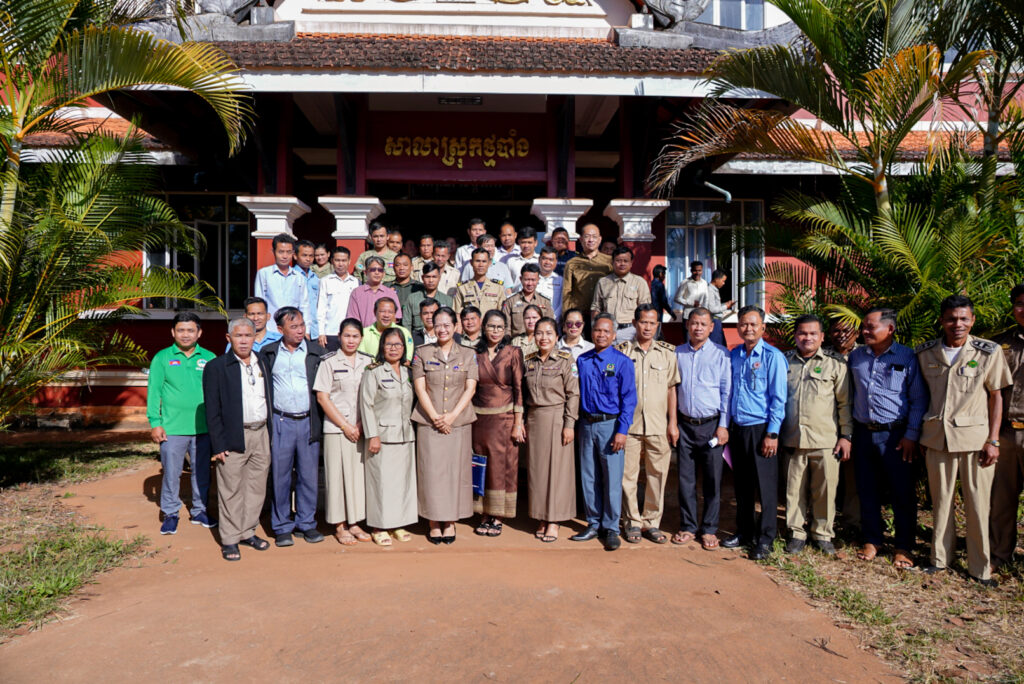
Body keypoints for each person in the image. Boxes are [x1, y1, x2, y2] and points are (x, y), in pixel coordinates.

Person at [916, 295, 1011, 586]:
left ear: (972, 320)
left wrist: (993, 440)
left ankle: (979, 568)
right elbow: (921, 396)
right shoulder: (926, 353)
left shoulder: (988, 351)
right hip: (937, 438)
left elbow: (996, 396)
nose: (957, 324)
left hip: (975, 440)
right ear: (942, 320)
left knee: (978, 505)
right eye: (951, 319)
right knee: (941, 502)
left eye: (963, 319)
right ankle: (940, 559)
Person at [848, 308, 926, 567]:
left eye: (870, 327)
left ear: (890, 329)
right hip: (863, 433)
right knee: (866, 489)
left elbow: (918, 399)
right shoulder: (856, 356)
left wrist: (911, 435)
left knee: (901, 492)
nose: (864, 331)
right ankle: (872, 539)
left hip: (896, 436)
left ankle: (903, 546)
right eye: (863, 327)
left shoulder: (907, 356)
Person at [781, 314, 852, 556]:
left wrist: (846, 436)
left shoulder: (835, 364)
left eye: (813, 333)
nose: (807, 338)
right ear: (795, 336)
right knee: (794, 490)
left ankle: (822, 534)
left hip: (825, 440)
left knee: (825, 491)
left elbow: (845, 404)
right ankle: (796, 533)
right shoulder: (785, 362)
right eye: (802, 333)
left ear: (822, 337)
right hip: (793, 438)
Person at [203, 317, 273, 561]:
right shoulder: (217, 367)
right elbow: (212, 409)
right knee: (231, 488)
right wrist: (218, 444)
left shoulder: (263, 361)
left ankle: (247, 531)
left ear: (255, 337)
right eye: (238, 335)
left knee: (256, 487)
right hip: (233, 435)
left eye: (248, 335)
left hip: (261, 432)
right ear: (229, 338)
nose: (243, 340)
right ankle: (230, 538)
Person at [722, 305, 787, 560]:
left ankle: (766, 538)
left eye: (753, 324)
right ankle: (745, 532)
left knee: (766, 487)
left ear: (763, 327)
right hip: (739, 428)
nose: (748, 328)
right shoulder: (735, 354)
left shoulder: (773, 357)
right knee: (742, 485)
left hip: (762, 429)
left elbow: (778, 399)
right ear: (738, 327)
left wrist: (772, 434)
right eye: (743, 324)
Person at [411, 307, 479, 545]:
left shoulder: (468, 354)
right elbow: (420, 388)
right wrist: (435, 417)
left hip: (458, 423)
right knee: (431, 473)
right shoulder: (422, 352)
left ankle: (450, 520)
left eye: (446, 325)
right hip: (429, 422)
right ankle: (432, 520)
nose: (442, 329)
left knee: (454, 473)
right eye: (437, 325)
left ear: (455, 326)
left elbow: (470, 388)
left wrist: (450, 417)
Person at [259, 308, 326, 547]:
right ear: (280, 330)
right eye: (294, 327)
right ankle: (282, 526)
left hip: (308, 420)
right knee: (281, 476)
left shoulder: (316, 352)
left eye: (302, 326)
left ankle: (306, 523)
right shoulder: (268, 353)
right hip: (281, 421)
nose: (300, 331)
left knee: (308, 476)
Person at [571, 314, 637, 551]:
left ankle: (611, 528)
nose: (601, 335)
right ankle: (593, 523)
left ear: (614, 335)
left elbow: (629, 400)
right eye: (597, 330)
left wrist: (622, 431)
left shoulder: (622, 362)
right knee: (588, 476)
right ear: (592, 332)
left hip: (611, 426)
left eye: (606, 331)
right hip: (587, 424)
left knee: (612, 478)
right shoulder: (583, 360)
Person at [147, 312, 217, 535]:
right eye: (181, 330)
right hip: (172, 429)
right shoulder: (162, 358)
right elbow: (154, 392)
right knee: (171, 473)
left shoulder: (209, 358)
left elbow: (217, 393)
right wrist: (155, 422)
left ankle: (200, 510)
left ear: (199, 333)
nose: (185, 335)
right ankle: (170, 513)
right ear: (173, 332)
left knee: (202, 472)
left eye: (190, 330)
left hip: (203, 428)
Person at [616, 304, 680, 544]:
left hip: (657, 425)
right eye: (643, 322)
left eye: (652, 323)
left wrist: (672, 423)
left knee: (658, 475)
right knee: (628, 476)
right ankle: (632, 521)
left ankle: (651, 522)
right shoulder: (622, 352)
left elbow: (672, 389)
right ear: (634, 323)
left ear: (658, 325)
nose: (647, 327)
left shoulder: (667, 353)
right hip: (629, 427)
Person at [673, 308, 731, 549]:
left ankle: (709, 528)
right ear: (687, 325)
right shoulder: (677, 353)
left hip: (711, 426)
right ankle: (688, 526)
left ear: (711, 328)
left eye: (703, 324)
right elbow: (672, 390)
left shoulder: (721, 354)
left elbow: (726, 392)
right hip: (685, 426)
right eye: (694, 323)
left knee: (712, 480)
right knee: (685, 479)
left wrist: (723, 425)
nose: (698, 328)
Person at [314, 318, 373, 545]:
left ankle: (355, 521)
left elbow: (371, 397)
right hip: (336, 429)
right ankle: (339, 525)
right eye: (347, 336)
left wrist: (359, 425)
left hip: (360, 429)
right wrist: (345, 426)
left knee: (357, 477)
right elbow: (323, 397)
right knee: (337, 477)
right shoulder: (328, 362)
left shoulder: (368, 362)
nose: (351, 340)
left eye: (355, 336)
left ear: (361, 338)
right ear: (339, 337)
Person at [360, 328, 418, 545]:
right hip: (382, 436)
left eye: (398, 344)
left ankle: (398, 524)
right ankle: (379, 526)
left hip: (405, 435)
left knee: (402, 483)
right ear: (382, 347)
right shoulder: (373, 371)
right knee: (381, 483)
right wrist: (372, 435)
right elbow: (366, 404)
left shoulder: (409, 372)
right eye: (389, 344)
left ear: (404, 348)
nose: (394, 348)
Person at [524, 317, 580, 543]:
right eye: (539, 333)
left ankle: (554, 519)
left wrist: (569, 424)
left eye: (548, 333)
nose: (543, 337)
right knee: (537, 472)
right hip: (534, 420)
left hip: (557, 418)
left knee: (557, 472)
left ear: (557, 337)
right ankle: (541, 516)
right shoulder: (529, 361)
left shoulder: (566, 360)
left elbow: (573, 394)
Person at [471, 310, 525, 536]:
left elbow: (519, 389)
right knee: (481, 465)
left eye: (499, 327)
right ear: (484, 328)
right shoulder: (475, 353)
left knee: (502, 467)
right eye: (491, 326)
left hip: (505, 419)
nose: (495, 331)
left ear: (505, 330)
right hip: (479, 420)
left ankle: (498, 515)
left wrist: (518, 422)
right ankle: (484, 513)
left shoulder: (513, 352)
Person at [990, 283, 1024, 571]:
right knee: (1001, 500)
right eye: (1020, 303)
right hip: (1006, 433)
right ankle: (999, 556)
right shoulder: (1000, 345)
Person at [826, 317, 861, 532]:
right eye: (836, 331)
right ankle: (823, 520)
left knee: (853, 477)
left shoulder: (864, 354)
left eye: (847, 331)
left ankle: (851, 522)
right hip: (828, 424)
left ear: (857, 333)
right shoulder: (823, 355)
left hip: (857, 424)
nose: (841, 335)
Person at [590, 246, 651, 343]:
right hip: (607, 330)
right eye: (618, 261)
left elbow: (645, 310)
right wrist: (594, 328)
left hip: (631, 331)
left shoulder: (639, 282)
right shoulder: (603, 282)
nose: (622, 264)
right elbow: (596, 307)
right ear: (612, 262)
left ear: (631, 263)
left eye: (625, 261)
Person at [253, 233, 308, 327]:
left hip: (293, 328)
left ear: (293, 253)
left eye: (288, 252)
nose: (285, 256)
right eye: (281, 252)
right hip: (271, 327)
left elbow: (304, 305)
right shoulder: (264, 274)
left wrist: (306, 329)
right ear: (273, 251)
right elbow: (259, 303)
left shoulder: (299, 277)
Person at [562, 224, 612, 322]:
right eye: (587, 236)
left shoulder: (610, 261)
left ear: (600, 239)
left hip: (603, 314)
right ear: (581, 239)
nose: (591, 240)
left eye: (594, 237)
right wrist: (566, 317)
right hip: (579, 316)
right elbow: (567, 291)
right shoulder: (572, 263)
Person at [317, 246, 360, 352]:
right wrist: (321, 332)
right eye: (337, 260)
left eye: (344, 260)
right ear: (332, 261)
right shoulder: (325, 281)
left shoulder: (355, 282)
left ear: (349, 261)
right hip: (330, 332)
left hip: (350, 332)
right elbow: (321, 308)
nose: (340, 264)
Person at [346, 256, 403, 327]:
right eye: (373, 269)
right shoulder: (357, 293)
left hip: (386, 333)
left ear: (384, 273)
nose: (377, 272)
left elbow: (395, 317)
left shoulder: (390, 293)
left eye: (380, 270)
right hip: (363, 333)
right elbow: (353, 319)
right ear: (365, 272)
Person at [502, 264, 555, 337]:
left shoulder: (545, 302)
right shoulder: (510, 301)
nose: (530, 284)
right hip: (517, 342)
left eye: (533, 280)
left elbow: (550, 326)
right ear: (521, 279)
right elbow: (506, 328)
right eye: (527, 280)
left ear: (538, 280)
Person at [404, 262, 453, 335]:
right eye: (427, 277)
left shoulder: (447, 300)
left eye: (434, 277)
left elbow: (450, 324)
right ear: (422, 278)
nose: (431, 280)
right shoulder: (412, 299)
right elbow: (406, 324)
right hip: (418, 337)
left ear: (439, 278)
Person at [454, 248, 505, 317]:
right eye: (477, 261)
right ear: (471, 262)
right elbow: (457, 313)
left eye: (484, 261)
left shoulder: (498, 287)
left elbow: (502, 313)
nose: (481, 265)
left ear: (489, 263)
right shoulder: (462, 288)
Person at [295, 239, 322, 340]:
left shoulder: (316, 278)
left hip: (315, 330)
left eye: (311, 256)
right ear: (295, 256)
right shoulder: (292, 277)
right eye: (304, 255)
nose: (308, 259)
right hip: (297, 328)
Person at [703, 269, 733, 346]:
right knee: (716, 345)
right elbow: (712, 309)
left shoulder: (714, 290)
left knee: (721, 345)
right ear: (716, 279)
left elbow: (714, 306)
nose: (724, 283)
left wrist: (725, 304)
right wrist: (726, 306)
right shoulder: (710, 290)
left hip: (717, 320)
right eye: (723, 281)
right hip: (714, 320)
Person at [391, 253, 424, 318]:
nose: (401, 268)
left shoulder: (419, 287)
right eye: (398, 265)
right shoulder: (387, 287)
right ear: (393, 267)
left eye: (405, 265)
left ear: (412, 267)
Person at [537, 246, 564, 320]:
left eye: (551, 259)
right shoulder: (531, 279)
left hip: (554, 321)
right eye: (544, 258)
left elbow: (562, 304)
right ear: (539, 259)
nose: (547, 262)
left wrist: (553, 318)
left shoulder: (560, 280)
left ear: (556, 262)